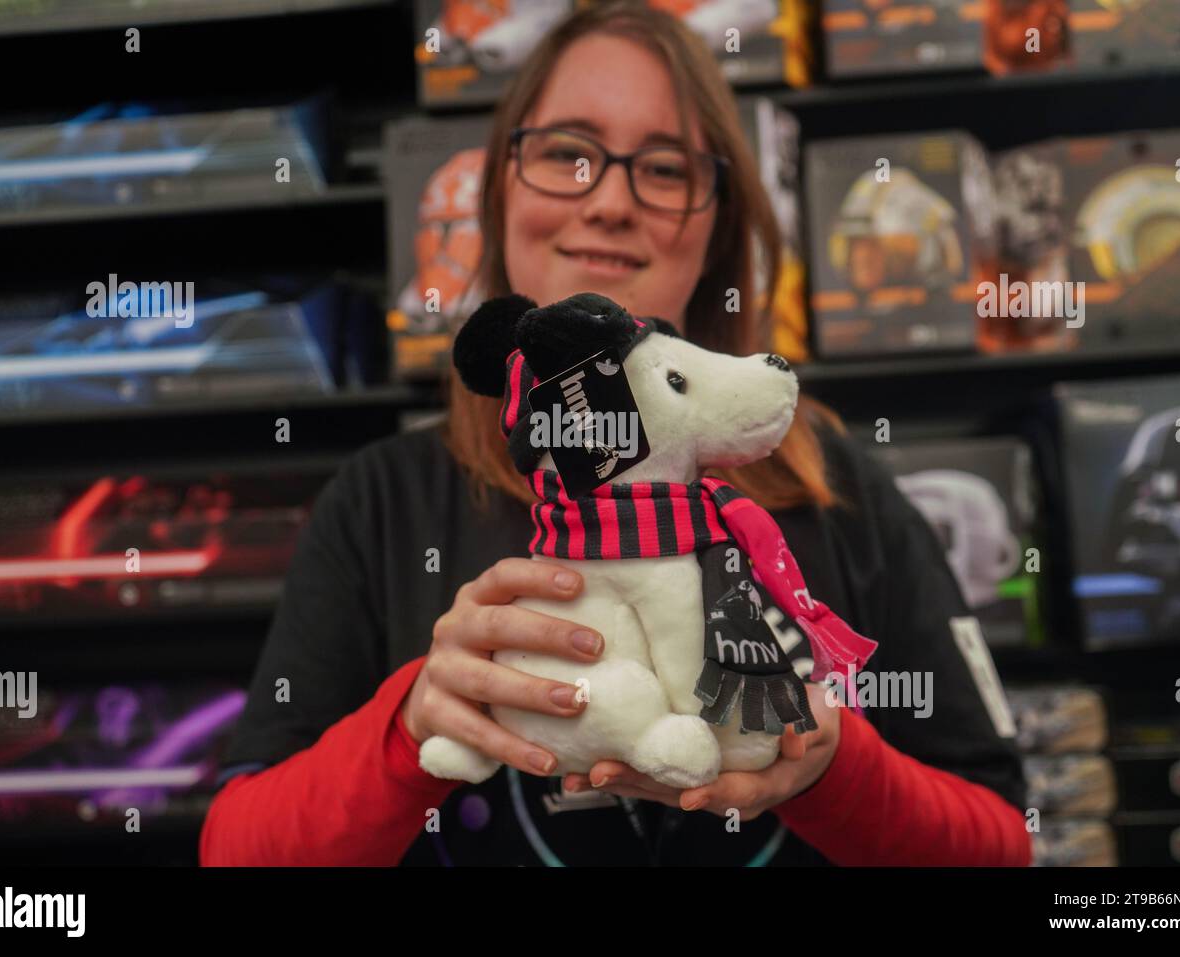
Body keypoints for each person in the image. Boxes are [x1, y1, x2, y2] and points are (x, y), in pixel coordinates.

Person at [199, 3, 1031, 867]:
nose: (609, 200)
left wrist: (834, 767)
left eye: (665, 169)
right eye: (567, 153)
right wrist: (411, 728)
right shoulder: (384, 501)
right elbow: (235, 850)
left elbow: (1003, 845)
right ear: (500, 189)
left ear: (717, 225)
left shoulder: (836, 490)